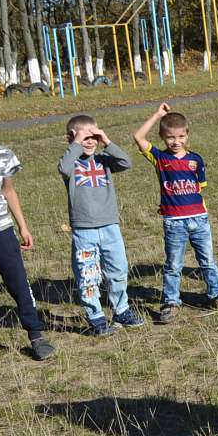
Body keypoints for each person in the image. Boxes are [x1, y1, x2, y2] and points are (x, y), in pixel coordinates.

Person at [0, 101, 55, 367]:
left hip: (3, 232)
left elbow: (9, 191)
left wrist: (23, 226)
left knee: (19, 284)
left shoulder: (3, 154)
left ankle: (36, 335)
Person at [132, 103, 218, 323]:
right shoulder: (160, 158)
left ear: (187, 135)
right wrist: (157, 115)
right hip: (174, 222)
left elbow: (200, 186)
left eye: (180, 136)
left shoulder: (196, 160)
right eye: (170, 137)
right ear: (162, 137)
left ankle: (217, 295)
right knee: (173, 265)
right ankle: (171, 302)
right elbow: (138, 136)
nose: (176, 141)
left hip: (199, 219)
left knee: (208, 261)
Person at [59, 114, 144, 335]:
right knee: (88, 276)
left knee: (118, 269)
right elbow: (63, 168)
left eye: (93, 136)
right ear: (71, 138)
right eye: (85, 136)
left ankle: (121, 310)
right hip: (84, 230)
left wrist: (106, 140)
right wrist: (77, 143)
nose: (90, 141)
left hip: (110, 226)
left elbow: (126, 162)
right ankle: (96, 316)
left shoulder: (104, 160)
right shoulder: (72, 162)